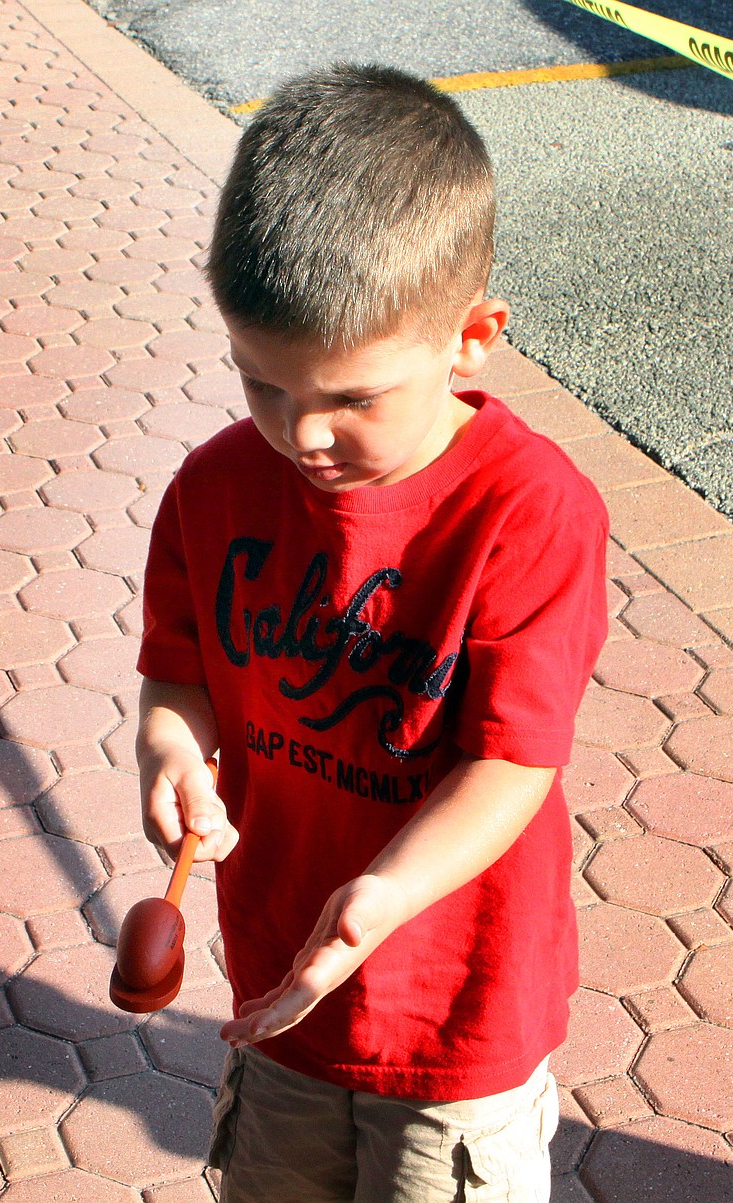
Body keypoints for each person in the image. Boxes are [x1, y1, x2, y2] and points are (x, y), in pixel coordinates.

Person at [135, 63, 608, 1203]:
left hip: (453, 1012)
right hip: (279, 974)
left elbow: (512, 761)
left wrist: (387, 894)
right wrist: (168, 752)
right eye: (262, 384)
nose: (301, 435)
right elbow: (178, 669)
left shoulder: (528, 512)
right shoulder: (214, 487)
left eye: (351, 399)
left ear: (472, 338)